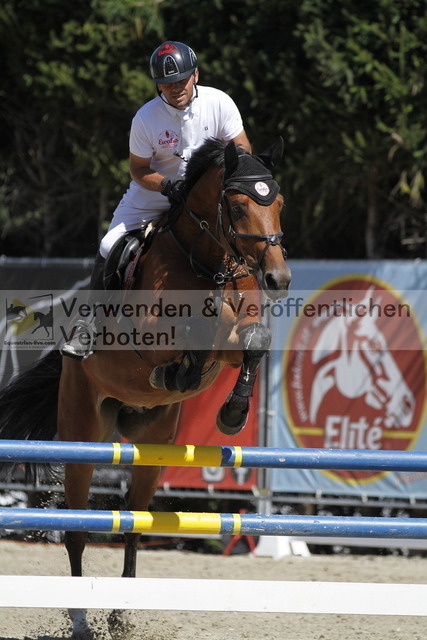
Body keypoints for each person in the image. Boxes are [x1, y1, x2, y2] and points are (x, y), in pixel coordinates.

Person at [61, 40, 251, 361]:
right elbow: (138, 169)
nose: (175, 88)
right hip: (156, 195)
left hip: (205, 197)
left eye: (181, 80)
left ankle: (257, 303)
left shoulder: (219, 102)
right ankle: (90, 323)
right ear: (157, 85)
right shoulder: (146, 118)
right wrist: (166, 185)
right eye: (166, 83)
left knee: (246, 229)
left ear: (196, 75)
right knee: (109, 244)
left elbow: (242, 148)